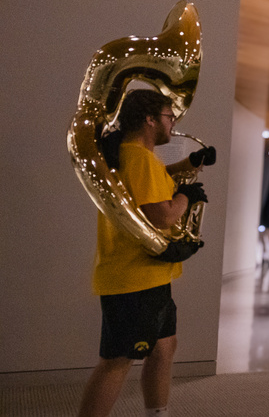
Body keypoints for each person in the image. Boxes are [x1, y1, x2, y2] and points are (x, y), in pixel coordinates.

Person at [78, 89, 214, 417]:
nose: (174, 123)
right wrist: (187, 197)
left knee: (164, 348)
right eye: (170, 117)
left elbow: (160, 181)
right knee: (117, 362)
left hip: (148, 274)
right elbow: (163, 215)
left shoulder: (135, 156)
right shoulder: (138, 158)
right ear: (151, 119)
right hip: (134, 276)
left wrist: (190, 164)